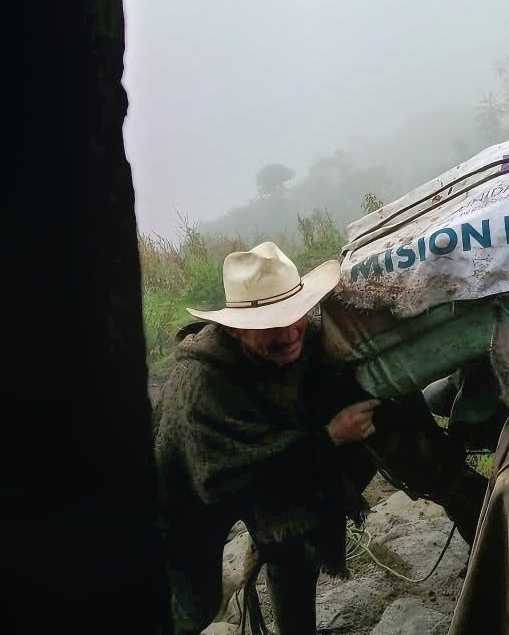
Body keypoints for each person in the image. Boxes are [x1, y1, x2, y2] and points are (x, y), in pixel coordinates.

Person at [154, 241, 486, 635]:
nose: (288, 333)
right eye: (270, 326)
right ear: (235, 329)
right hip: (195, 497)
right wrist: (330, 437)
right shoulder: (199, 385)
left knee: (292, 542)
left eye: (294, 316)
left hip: (283, 463)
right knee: (194, 604)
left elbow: (347, 384)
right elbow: (224, 478)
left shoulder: (306, 338)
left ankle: (492, 550)